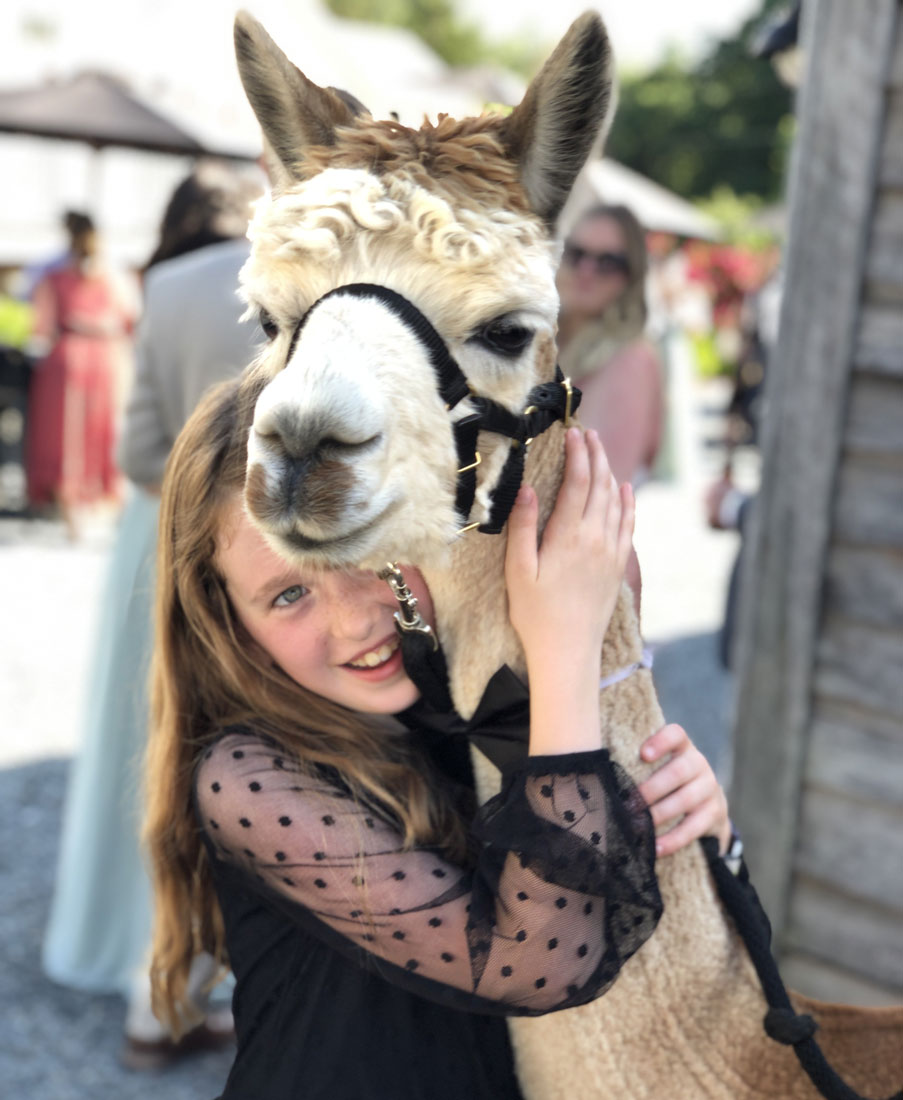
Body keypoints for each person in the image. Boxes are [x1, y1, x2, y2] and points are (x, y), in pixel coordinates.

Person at [144, 375, 732, 1099]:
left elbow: (625, 911)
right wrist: (562, 655)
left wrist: (696, 826)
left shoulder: (467, 696)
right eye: (289, 594)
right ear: (226, 617)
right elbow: (531, 962)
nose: (356, 620)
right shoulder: (245, 775)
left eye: (363, 555)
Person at [41, 163, 264, 1071]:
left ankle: (146, 976)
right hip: (258, 547)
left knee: (150, 749)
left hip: (156, 541)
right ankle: (189, 985)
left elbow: (137, 454)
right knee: (242, 760)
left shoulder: (162, 289)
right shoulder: (287, 275)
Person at [25, 211, 134, 538]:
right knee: (103, 431)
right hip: (106, 359)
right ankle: (109, 514)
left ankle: (73, 520)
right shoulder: (114, 273)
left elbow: (39, 328)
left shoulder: (50, 273)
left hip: (67, 360)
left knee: (65, 436)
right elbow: (129, 319)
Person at [556, 203, 664, 490]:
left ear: (631, 275)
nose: (586, 270)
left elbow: (603, 490)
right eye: (577, 254)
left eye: (607, 262)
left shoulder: (630, 359)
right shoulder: (549, 344)